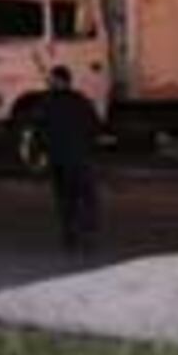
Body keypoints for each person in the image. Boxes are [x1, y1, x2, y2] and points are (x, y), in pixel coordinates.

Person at [34, 65, 103, 253]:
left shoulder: (47, 103)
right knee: (86, 198)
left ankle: (71, 235)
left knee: (66, 199)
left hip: (60, 160)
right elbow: (95, 127)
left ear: (60, 80)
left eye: (52, 79)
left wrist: (42, 154)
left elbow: (39, 132)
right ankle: (87, 234)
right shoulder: (81, 101)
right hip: (80, 158)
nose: (49, 82)